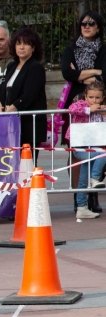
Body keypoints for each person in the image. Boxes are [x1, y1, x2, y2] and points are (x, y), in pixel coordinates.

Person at [0, 28, 47, 163]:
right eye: (18, 43)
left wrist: (13, 107)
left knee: (27, 162)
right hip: (11, 122)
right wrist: (0, 104)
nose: (22, 47)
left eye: (26, 44)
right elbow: (4, 89)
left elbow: (29, 95)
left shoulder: (36, 67)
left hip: (28, 124)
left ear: (33, 47)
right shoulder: (12, 66)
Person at [61, 11, 106, 145]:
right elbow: (67, 73)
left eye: (91, 23)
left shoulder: (104, 50)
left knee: (100, 145)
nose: (87, 26)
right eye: (83, 23)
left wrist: (79, 76)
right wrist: (95, 71)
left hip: (100, 103)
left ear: (98, 28)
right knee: (75, 148)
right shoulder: (70, 49)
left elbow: (105, 76)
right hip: (76, 102)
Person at [65, 81, 106, 219]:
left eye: (97, 98)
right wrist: (89, 109)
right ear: (85, 96)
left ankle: (81, 207)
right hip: (79, 146)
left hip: (94, 146)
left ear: (102, 98)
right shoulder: (81, 104)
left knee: (83, 178)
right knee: (102, 154)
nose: (94, 100)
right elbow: (71, 109)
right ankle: (95, 178)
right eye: (91, 97)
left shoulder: (102, 109)